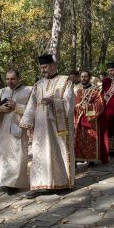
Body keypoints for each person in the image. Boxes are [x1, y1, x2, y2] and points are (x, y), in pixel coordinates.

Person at [20, 54, 75, 199]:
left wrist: (53, 101)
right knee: (39, 155)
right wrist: (28, 123)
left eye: (45, 67)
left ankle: (61, 182)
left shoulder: (65, 81)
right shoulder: (38, 84)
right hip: (40, 127)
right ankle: (39, 185)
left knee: (56, 153)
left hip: (57, 126)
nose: (43, 70)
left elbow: (69, 102)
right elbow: (31, 104)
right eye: (41, 67)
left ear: (52, 65)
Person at [0, 69, 31, 195]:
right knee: (5, 156)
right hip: (4, 129)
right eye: (7, 79)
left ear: (19, 78)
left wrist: (17, 106)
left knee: (18, 156)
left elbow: (33, 109)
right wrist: (0, 108)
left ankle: (15, 184)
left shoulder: (28, 90)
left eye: (12, 79)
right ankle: (4, 182)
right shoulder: (2, 91)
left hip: (19, 128)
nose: (9, 81)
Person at [74, 70, 108, 165]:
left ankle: (91, 159)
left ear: (89, 78)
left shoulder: (96, 90)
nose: (83, 78)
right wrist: (76, 107)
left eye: (85, 76)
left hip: (91, 119)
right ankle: (79, 157)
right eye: (81, 77)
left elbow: (100, 105)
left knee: (91, 139)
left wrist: (88, 106)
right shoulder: (79, 91)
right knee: (80, 139)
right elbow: (75, 104)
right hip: (79, 119)